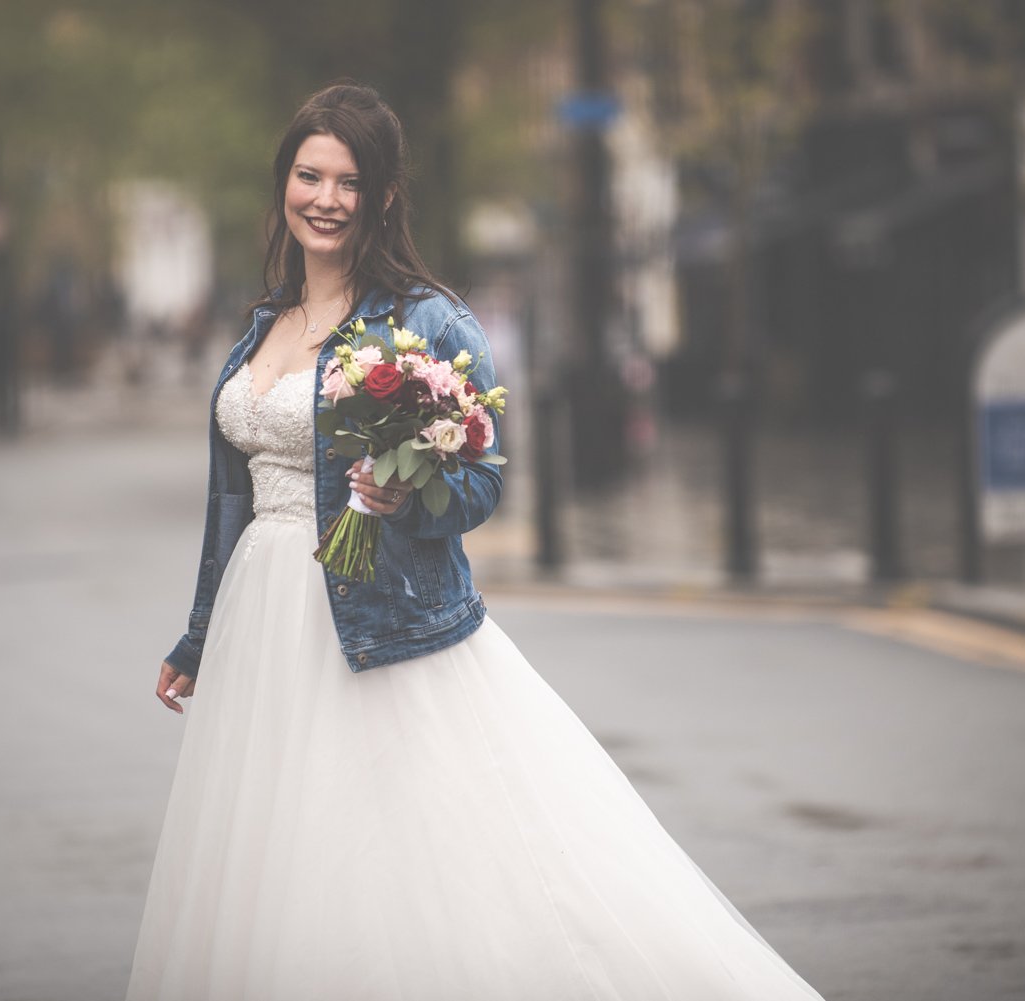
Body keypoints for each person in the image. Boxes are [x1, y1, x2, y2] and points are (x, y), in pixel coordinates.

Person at [125, 80, 826, 1001]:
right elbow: (235, 507)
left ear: (381, 196)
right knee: (274, 859)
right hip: (262, 627)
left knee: (392, 864)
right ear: (284, 184)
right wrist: (198, 634)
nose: (325, 198)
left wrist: (403, 491)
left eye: (349, 180)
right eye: (309, 175)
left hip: (379, 622)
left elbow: (485, 483)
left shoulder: (428, 320)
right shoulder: (262, 325)